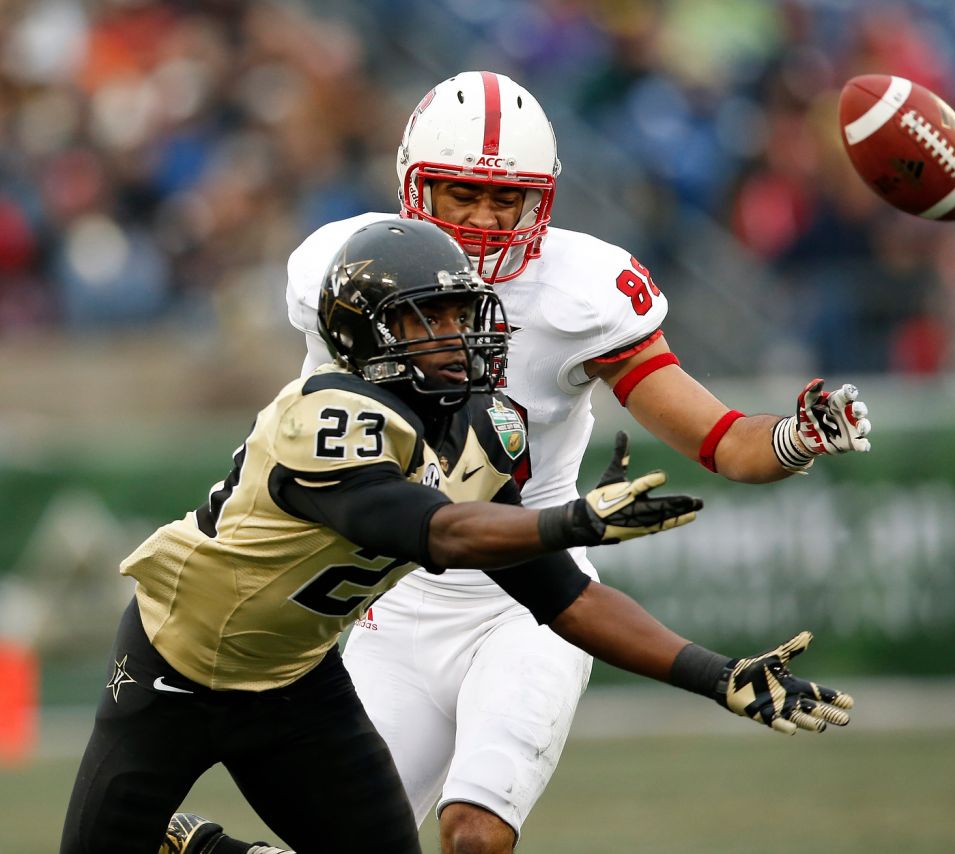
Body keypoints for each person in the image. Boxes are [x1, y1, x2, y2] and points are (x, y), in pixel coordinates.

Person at [61, 220, 851, 854]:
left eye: (455, 313)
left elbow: (561, 596)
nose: (450, 334)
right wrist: (571, 519)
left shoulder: (477, 430)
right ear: (361, 335)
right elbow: (428, 529)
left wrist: (717, 675)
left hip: (294, 683)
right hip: (174, 665)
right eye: (421, 317)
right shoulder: (321, 415)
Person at [273, 72, 875, 854]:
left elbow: (720, 437)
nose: (487, 220)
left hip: (530, 599)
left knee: (475, 834)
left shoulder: (579, 291)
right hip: (395, 603)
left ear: (542, 200)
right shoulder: (350, 268)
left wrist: (795, 437)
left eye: (507, 198)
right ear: (414, 187)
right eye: (462, 193)